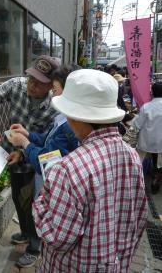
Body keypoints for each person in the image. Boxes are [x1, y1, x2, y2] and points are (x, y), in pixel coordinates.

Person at [32, 69, 147, 272]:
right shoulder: (132, 156)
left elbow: (56, 237)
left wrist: (41, 202)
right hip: (116, 264)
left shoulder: (67, 169)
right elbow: (138, 217)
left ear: (75, 116)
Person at [0, 55, 59, 268]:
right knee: (17, 197)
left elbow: (48, 145)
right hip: (9, 157)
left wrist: (23, 152)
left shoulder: (55, 108)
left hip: (35, 163)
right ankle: (25, 233)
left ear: (51, 85)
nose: (31, 85)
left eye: (38, 83)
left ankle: (34, 247)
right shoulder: (16, 85)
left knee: (32, 203)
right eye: (31, 78)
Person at [6, 65, 79, 198]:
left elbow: (45, 161)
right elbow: (46, 139)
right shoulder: (63, 117)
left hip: (54, 192)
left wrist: (24, 143)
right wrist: (27, 134)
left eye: (55, 90)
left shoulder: (70, 125)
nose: (53, 94)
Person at [132, 82, 162, 194]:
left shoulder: (146, 107)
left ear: (152, 92)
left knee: (141, 160)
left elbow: (137, 125)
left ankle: (138, 181)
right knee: (158, 161)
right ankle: (156, 179)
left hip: (147, 142)